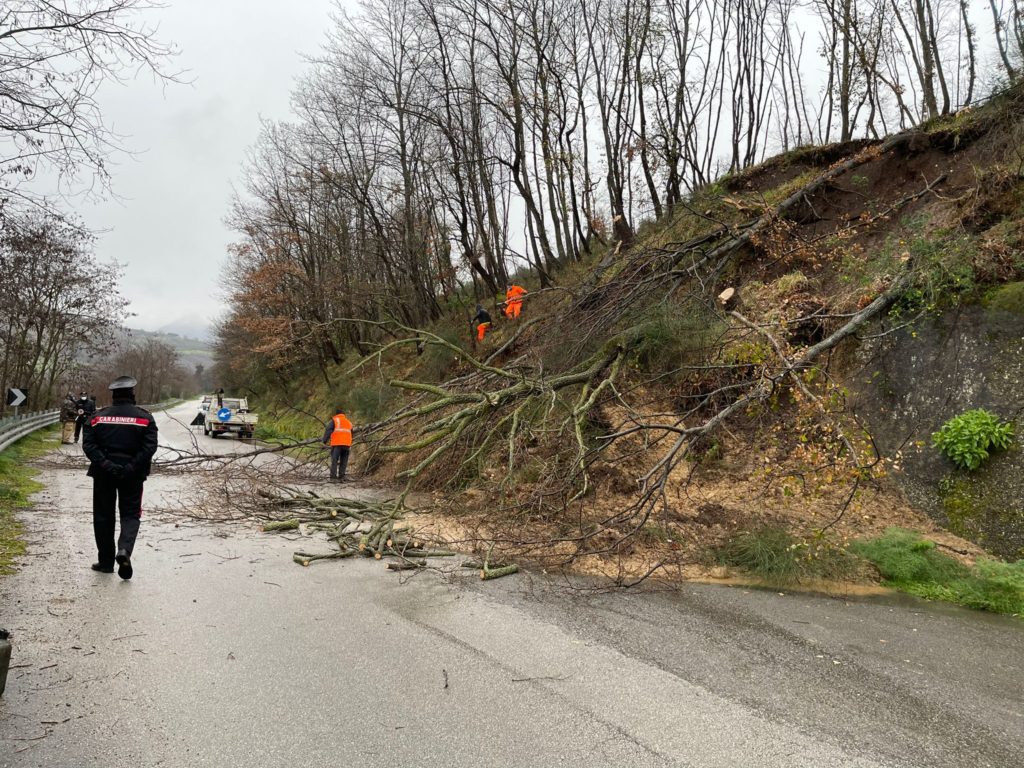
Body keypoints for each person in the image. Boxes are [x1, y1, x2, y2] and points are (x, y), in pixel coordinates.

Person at [82, 376, 159, 580]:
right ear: (132, 395)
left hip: (103, 473)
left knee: (103, 516)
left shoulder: (98, 417)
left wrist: (107, 465)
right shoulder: (145, 418)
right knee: (131, 514)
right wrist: (131, 467)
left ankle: (106, 563)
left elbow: (89, 446)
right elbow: (149, 447)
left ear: (113, 395)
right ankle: (124, 550)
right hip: (132, 475)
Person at [321, 406, 353, 482]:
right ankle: (342, 476)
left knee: (334, 460)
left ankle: (333, 477)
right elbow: (351, 433)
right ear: (344, 414)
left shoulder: (335, 420)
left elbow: (328, 430)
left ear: (336, 414)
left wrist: (324, 441)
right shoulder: (348, 422)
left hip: (337, 444)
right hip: (346, 444)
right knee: (344, 461)